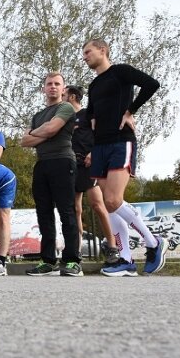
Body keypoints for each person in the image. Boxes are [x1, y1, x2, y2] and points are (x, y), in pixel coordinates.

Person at [82, 38, 166, 276]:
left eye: (88, 51)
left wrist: (131, 110)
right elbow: (91, 112)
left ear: (102, 50)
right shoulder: (94, 85)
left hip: (121, 141)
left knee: (113, 200)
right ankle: (126, 259)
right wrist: (89, 122)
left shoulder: (121, 72)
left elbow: (152, 84)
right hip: (99, 147)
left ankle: (153, 242)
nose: (85, 56)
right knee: (110, 208)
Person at [21, 72, 82, 277]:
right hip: (42, 164)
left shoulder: (65, 107)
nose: (53, 87)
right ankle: (48, 261)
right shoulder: (37, 115)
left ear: (63, 89)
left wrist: (37, 133)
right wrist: (43, 131)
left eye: (57, 84)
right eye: (49, 84)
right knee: (43, 213)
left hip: (63, 161)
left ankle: (72, 260)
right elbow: (24, 141)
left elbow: (52, 129)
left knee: (67, 211)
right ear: (43, 88)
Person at [64, 84, 117, 263]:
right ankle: (76, 249)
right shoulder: (65, 119)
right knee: (75, 209)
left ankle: (112, 245)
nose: (61, 98)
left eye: (63, 94)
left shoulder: (88, 114)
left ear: (71, 97)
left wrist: (94, 153)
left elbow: (101, 135)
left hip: (89, 164)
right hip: (71, 165)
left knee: (97, 204)